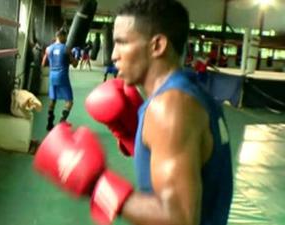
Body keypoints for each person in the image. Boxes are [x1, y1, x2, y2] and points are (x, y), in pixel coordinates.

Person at [35, 1, 233, 225]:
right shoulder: (194, 94)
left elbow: (181, 219)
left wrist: (98, 185)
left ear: (157, 45)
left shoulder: (170, 107)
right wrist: (133, 139)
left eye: (122, 43)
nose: (114, 55)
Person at [42, 29, 78, 131]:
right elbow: (75, 65)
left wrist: (53, 60)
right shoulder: (66, 49)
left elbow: (43, 64)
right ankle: (62, 122)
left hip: (52, 76)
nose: (66, 39)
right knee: (69, 102)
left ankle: (49, 123)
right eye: (65, 37)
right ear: (61, 36)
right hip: (62, 76)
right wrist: (74, 58)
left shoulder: (48, 49)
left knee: (53, 99)